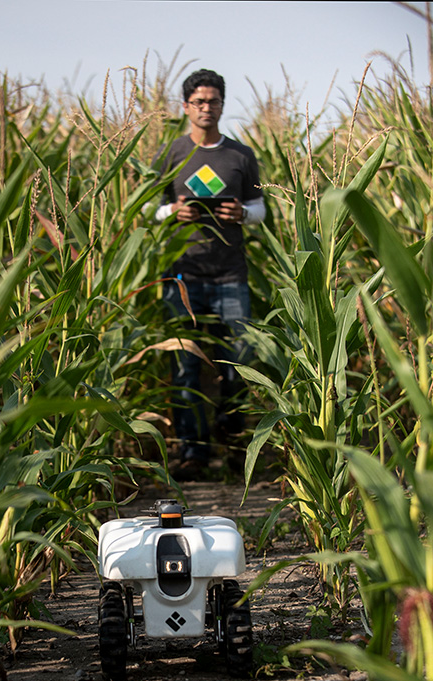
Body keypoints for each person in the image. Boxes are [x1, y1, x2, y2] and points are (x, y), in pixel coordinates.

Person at [154, 68, 265, 480]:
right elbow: (149, 207)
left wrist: (241, 213)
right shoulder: (172, 154)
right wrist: (173, 211)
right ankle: (192, 454)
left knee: (239, 360)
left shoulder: (240, 156)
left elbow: (261, 209)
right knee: (184, 363)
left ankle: (235, 444)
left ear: (222, 104)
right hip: (183, 276)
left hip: (230, 276)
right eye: (198, 102)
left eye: (213, 101)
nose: (206, 108)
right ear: (185, 107)